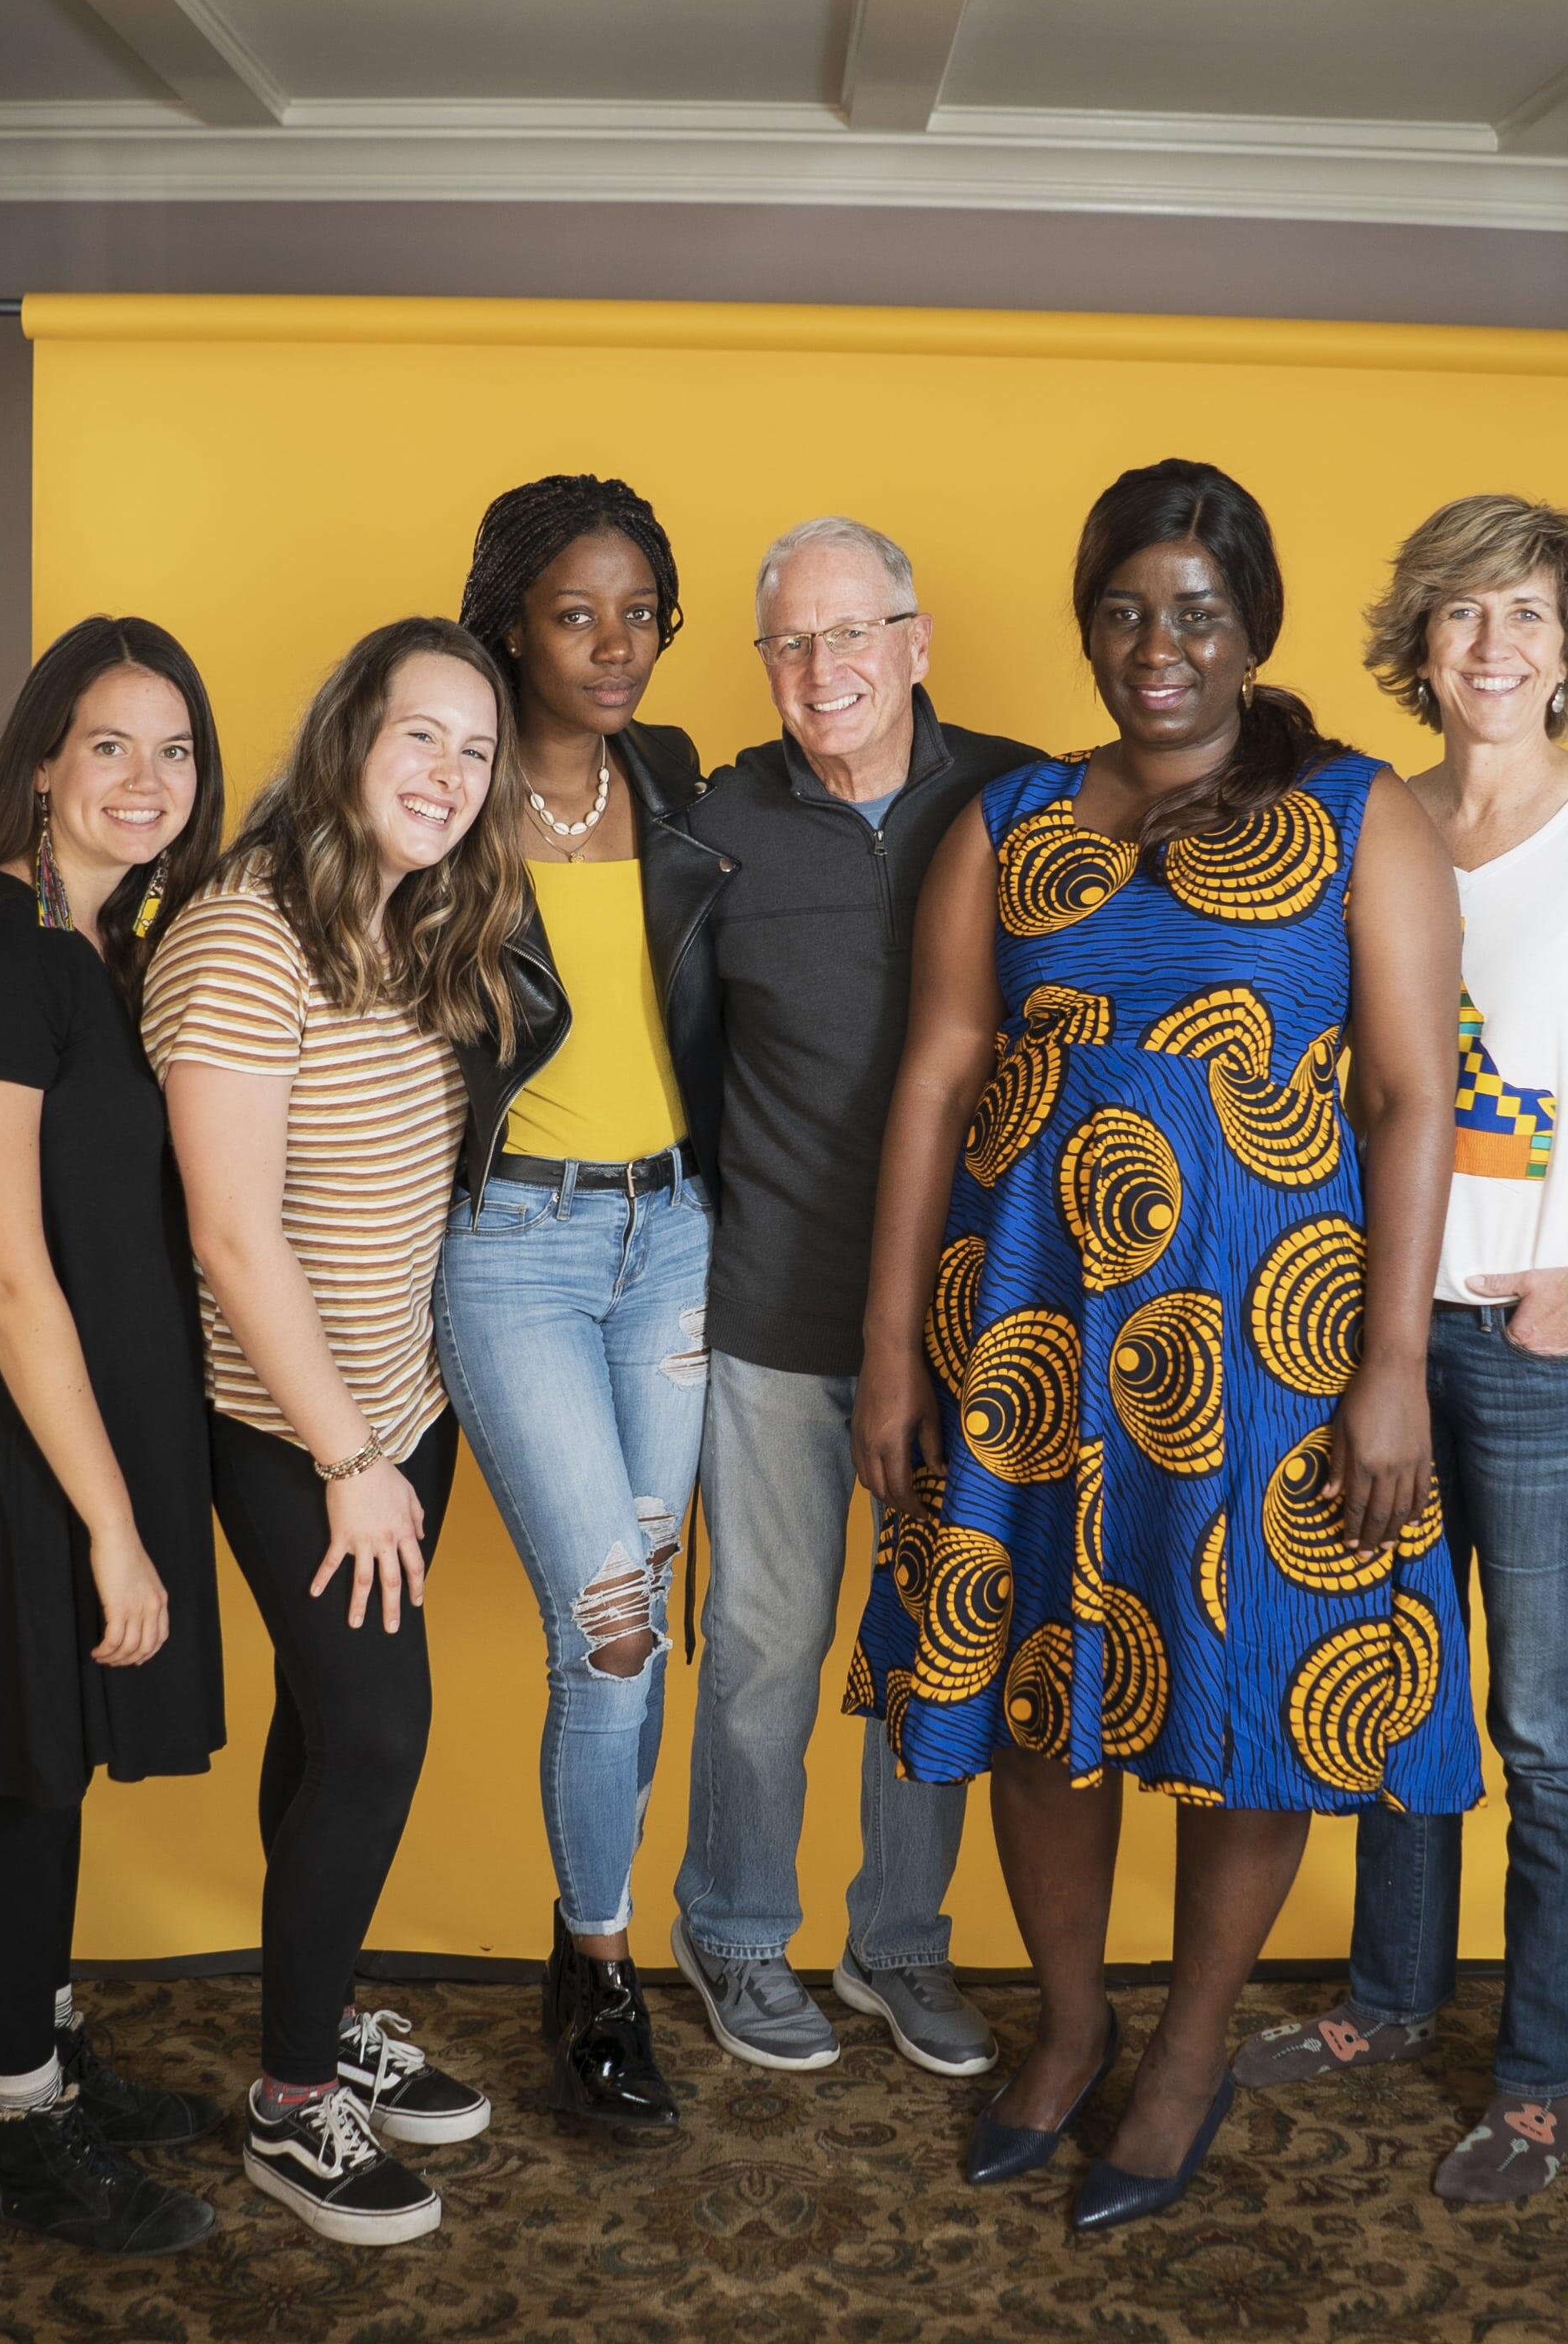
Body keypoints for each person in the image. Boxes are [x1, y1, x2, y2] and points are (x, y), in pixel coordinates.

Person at [849, 458, 1471, 2232]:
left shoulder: (1357, 815)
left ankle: (1187, 2051)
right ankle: (1066, 2028)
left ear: (1252, 626)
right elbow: (936, 1072)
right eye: (1123, 610)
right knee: (1040, 1682)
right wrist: (891, 1346)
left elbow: (1415, 1099)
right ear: (1086, 626)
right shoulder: (1013, 817)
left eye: (1195, 611)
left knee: (1243, 1697)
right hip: (1029, 1332)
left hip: (1267, 1342)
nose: (1157, 646)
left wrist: (1394, 1368)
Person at [1228, 493, 1568, 2207]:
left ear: (1566, 642)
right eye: (1459, 615)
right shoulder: (1371, 820)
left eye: (1522, 616)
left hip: (1549, 1350)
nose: (1489, 649)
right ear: (1417, 641)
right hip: (1377, 1345)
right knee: (1393, 1695)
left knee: (1541, 1728)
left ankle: (1534, 2079)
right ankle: (1386, 2005)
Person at [146, 617, 522, 2247]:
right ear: (347, 737)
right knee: (372, 1736)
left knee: (325, 1725)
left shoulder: (407, 921)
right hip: (294, 1434)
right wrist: (348, 1463)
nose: (447, 774)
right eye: (418, 735)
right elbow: (230, 1237)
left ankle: (320, 2018)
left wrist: (397, 1433)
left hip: (398, 1412)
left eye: (475, 749)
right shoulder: (243, 935)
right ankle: (294, 2105)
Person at [0, 614, 232, 2257]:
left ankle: (47, 2053)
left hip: (80, 1426)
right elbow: (3, 1273)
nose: (148, 779)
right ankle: (22, 2131)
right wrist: (106, 1519)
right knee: (18, 1784)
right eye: (110, 745)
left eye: (175, 749)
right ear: (37, 762)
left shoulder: (86, 946)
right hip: (11, 1446)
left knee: (54, 1769)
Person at [667, 517, 1035, 2080]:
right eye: (789, 644)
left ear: (917, 638)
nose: (823, 671)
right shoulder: (711, 825)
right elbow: (678, 1065)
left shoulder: (1022, 800)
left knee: (938, 1640)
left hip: (978, 1316)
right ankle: (738, 1935)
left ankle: (898, 1945)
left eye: (852, 633)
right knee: (764, 1646)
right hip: (772, 1317)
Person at [432, 476, 727, 2132]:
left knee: (644, 1628)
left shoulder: (670, 782)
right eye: (575, 614)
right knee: (604, 1627)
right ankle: (601, 1973)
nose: (614, 647)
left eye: (639, 614)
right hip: (514, 1255)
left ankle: (583, 1943)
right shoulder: (446, 796)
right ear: (506, 623)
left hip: (670, 1241)